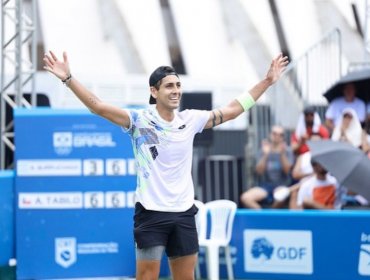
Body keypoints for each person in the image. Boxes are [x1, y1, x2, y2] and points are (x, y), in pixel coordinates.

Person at [43, 51, 288, 279]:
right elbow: (97, 106)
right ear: (154, 91)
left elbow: (233, 110)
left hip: (184, 214)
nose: (176, 91)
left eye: (178, 85)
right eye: (169, 86)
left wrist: (267, 82)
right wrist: (68, 79)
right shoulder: (138, 120)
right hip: (150, 213)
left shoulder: (191, 119)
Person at [240, 125, 293, 209]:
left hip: (282, 185)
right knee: (246, 197)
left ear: (283, 137)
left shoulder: (287, 151)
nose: (277, 137)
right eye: (274, 133)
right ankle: (262, 217)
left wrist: (282, 154)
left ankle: (270, 217)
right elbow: (259, 171)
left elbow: (287, 171)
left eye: (280, 134)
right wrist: (266, 155)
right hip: (265, 186)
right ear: (270, 135)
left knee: (281, 196)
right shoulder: (263, 150)